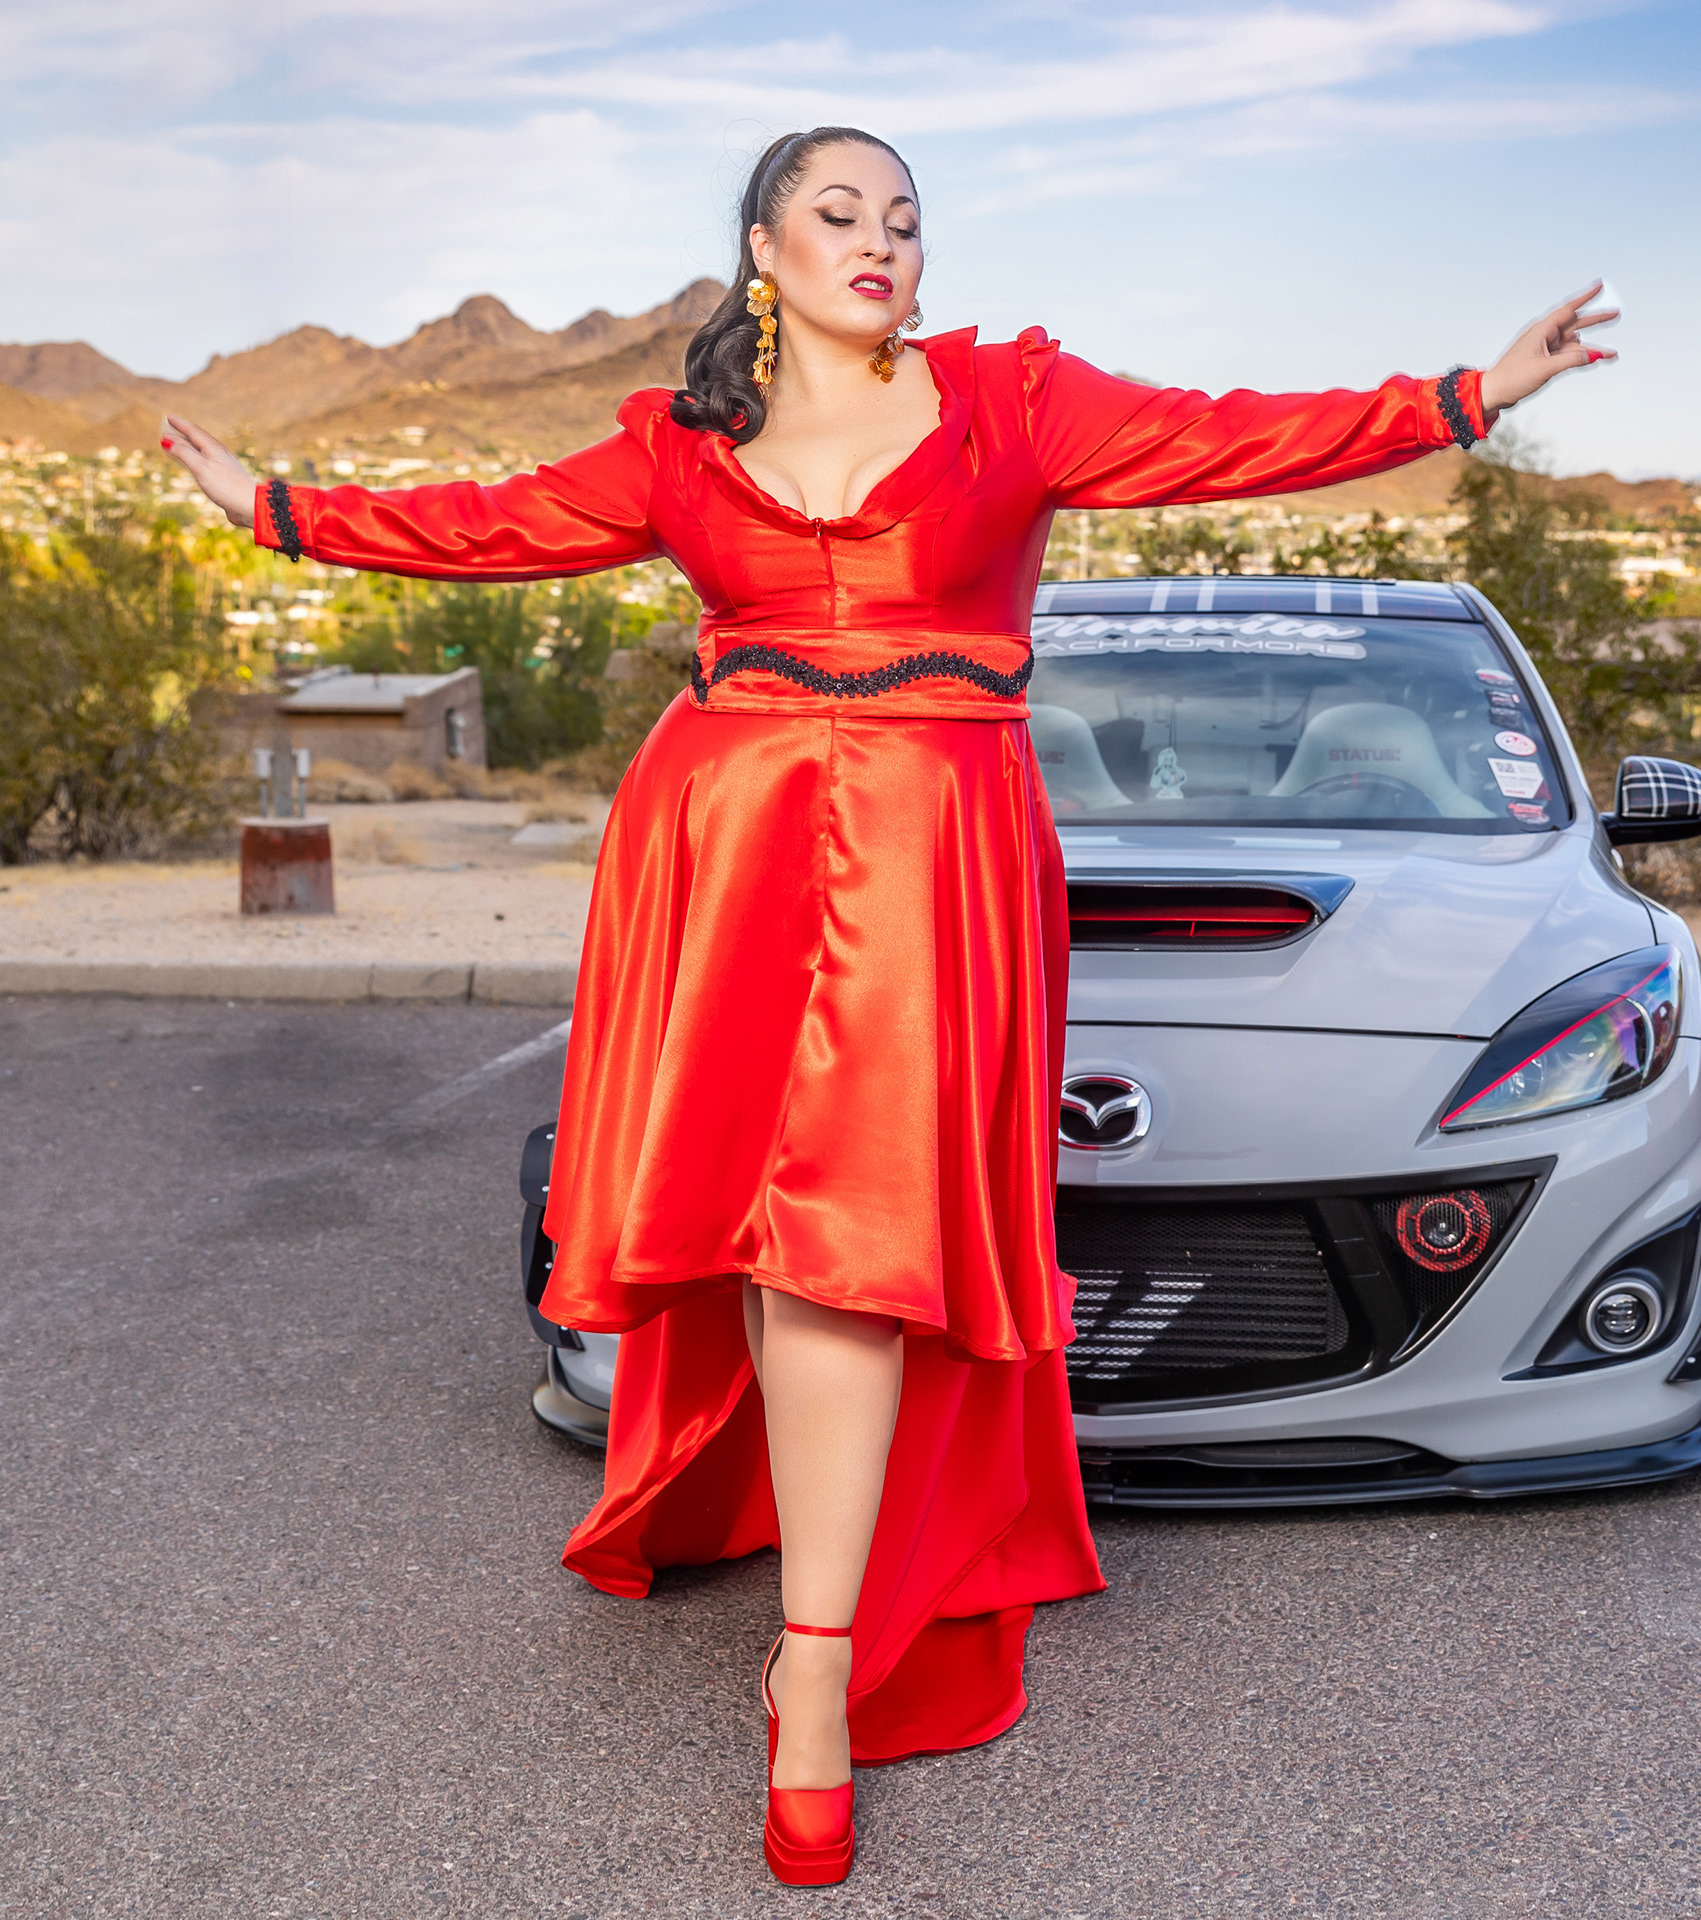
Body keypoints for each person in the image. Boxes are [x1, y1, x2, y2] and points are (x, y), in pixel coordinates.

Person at [163, 124, 1615, 1886]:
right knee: (770, 1234)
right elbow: (487, 525)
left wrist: (1470, 394)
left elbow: (1235, 436)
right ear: (763, 253)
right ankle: (810, 1613)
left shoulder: (1018, 403)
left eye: (907, 221)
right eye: (841, 215)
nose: (882, 243)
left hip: (934, 864)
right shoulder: (678, 443)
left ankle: (817, 1666)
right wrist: (279, 513)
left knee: (844, 1245)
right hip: (726, 853)